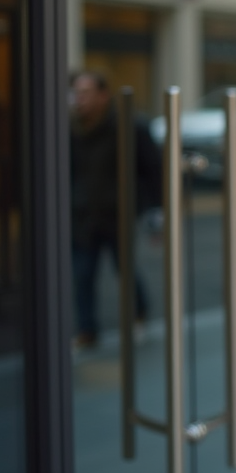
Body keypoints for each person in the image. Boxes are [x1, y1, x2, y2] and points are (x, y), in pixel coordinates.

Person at [70, 71, 162, 349]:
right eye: (77, 93)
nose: (80, 100)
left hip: (118, 214)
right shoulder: (71, 128)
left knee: (124, 268)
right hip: (83, 215)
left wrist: (156, 210)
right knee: (83, 274)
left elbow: (153, 169)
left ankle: (139, 313)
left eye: (86, 93)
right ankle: (87, 330)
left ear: (103, 95)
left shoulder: (129, 126)